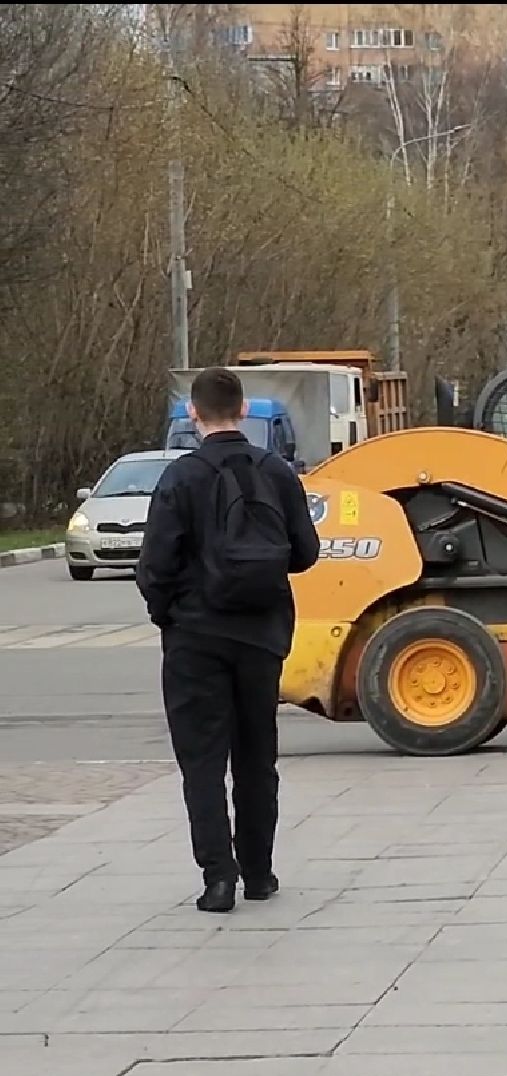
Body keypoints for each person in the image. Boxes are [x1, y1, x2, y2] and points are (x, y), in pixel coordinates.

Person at [136, 366, 320, 913]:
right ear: (243, 411)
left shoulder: (181, 478)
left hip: (195, 637)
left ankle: (219, 878)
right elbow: (305, 553)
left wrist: (169, 615)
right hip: (262, 636)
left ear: (194, 413)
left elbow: (155, 567)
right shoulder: (277, 473)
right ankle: (260, 873)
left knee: (202, 760)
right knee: (257, 757)